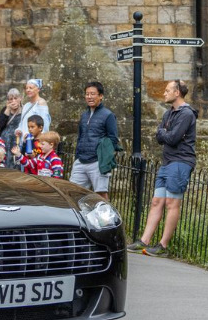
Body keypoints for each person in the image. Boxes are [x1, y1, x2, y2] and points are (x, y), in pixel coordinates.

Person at [128, 80, 196, 257]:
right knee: (156, 201)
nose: (164, 93)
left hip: (180, 162)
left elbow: (172, 138)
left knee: (172, 203)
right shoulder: (168, 113)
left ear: (177, 92)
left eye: (167, 90)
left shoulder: (186, 114)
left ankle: (163, 246)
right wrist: (165, 133)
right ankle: (144, 241)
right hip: (167, 162)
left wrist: (164, 133)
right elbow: (159, 136)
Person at [69, 81, 120, 200]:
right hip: (81, 161)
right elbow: (80, 136)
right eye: (87, 94)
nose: (89, 97)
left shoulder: (108, 115)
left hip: (97, 162)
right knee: (73, 192)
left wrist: (104, 158)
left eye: (92, 94)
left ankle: (106, 213)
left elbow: (113, 139)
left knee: (101, 194)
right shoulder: (84, 115)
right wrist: (77, 157)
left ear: (100, 96)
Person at [14, 79, 51, 147]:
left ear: (38, 89)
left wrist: (39, 140)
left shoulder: (41, 103)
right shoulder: (26, 105)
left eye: (31, 88)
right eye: (27, 88)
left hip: (35, 143)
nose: (28, 90)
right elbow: (22, 123)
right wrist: (19, 130)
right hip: (24, 142)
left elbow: (45, 125)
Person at [0, 88, 24, 167]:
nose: (13, 101)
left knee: (16, 161)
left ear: (20, 98)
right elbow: (0, 124)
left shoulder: (24, 109)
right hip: (6, 140)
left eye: (15, 98)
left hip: (17, 140)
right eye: (11, 99)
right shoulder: (5, 109)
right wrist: (8, 109)